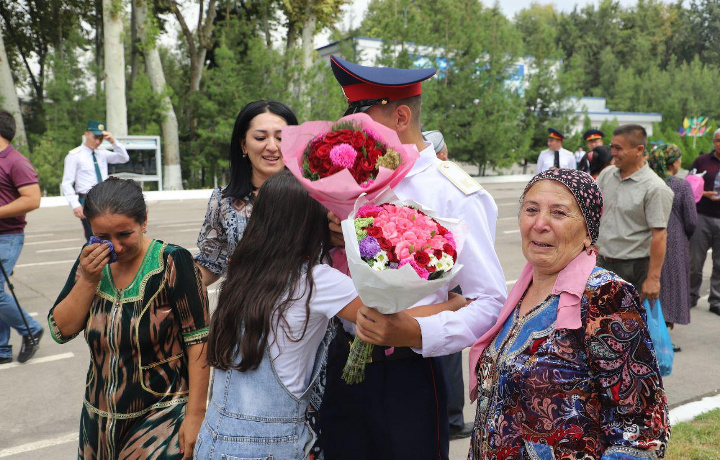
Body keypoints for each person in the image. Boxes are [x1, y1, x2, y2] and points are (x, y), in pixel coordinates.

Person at [195, 171, 465, 459]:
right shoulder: (316, 280)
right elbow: (384, 319)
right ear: (309, 223)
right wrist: (453, 304)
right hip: (273, 446)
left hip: (214, 439)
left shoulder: (242, 273)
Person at [320, 55, 507, 460]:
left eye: (363, 126)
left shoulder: (453, 191)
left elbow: (490, 302)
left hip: (409, 369)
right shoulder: (354, 180)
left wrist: (414, 333)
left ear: (401, 116)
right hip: (342, 362)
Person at [468, 168, 670, 459]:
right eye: (531, 209)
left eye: (559, 213)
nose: (539, 224)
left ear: (588, 230)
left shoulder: (606, 297)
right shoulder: (521, 292)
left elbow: (641, 428)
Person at [48, 178, 210, 459]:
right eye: (102, 237)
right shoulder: (90, 262)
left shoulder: (172, 262)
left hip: (162, 420)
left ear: (144, 220)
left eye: (124, 234)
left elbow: (199, 341)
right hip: (98, 423)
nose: (115, 247)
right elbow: (60, 330)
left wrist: (196, 415)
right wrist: (88, 279)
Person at [195, 100, 298, 286]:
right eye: (260, 138)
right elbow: (211, 262)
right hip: (244, 310)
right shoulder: (223, 200)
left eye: (281, 138)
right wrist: (169, 287)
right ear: (243, 145)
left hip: (305, 310)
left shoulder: (314, 196)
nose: (272, 146)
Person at [422, 127, 473, 439]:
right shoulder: (450, 179)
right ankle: (452, 418)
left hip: (431, 272)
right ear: (440, 154)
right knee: (450, 352)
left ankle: (446, 416)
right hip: (448, 272)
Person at [595, 124, 673, 301]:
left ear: (639, 150)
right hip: (602, 262)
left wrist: (653, 279)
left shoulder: (655, 188)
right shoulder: (607, 174)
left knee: (630, 325)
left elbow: (659, 236)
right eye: (611, 147)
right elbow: (593, 209)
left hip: (633, 269)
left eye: (619, 148)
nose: (613, 152)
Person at [0, 110, 43, 364]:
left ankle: (30, 329)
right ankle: (2, 349)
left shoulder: (16, 161)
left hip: (8, 236)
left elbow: (32, 199)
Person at [647, 144, 697, 332]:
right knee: (672, 285)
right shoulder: (681, 185)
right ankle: (664, 333)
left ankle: (651, 328)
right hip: (675, 241)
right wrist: (686, 235)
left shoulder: (650, 182)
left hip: (650, 239)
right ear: (674, 162)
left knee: (653, 282)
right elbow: (691, 220)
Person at [61, 120, 129, 241]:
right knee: (94, 236)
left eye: (101, 139)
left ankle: (108, 259)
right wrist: (75, 205)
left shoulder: (101, 153)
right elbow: (67, 183)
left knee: (109, 234)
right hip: (86, 199)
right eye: (95, 137)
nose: (98, 142)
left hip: (105, 198)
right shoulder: (75, 155)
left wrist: (113, 141)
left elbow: (123, 158)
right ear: (86, 134)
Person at [689, 128, 720, 315]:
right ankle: (691, 295)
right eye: (718, 140)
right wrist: (703, 193)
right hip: (702, 215)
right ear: (714, 141)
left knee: (719, 263)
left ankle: (716, 300)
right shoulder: (702, 161)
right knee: (695, 261)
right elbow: (688, 186)